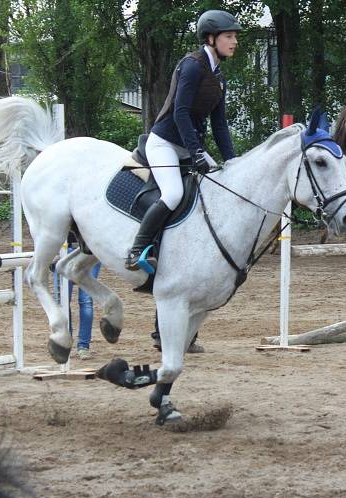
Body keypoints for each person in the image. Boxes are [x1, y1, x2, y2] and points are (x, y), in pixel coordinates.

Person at [125, 9, 242, 271]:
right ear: (211, 38)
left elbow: (220, 124)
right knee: (174, 193)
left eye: (235, 36)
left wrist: (232, 160)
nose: (235, 42)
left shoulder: (218, 77)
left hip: (189, 146)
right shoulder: (191, 65)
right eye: (229, 36)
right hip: (165, 143)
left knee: (216, 186)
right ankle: (136, 250)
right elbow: (180, 112)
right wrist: (197, 152)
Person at [52, 234, 101, 360]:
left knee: (68, 301)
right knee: (84, 301)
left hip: (77, 250)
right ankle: (81, 346)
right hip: (88, 250)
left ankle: (74, 344)